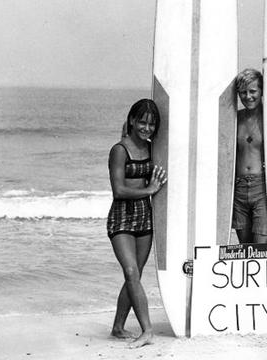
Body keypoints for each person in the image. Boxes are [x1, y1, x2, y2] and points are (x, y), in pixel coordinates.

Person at [107, 99, 167, 348]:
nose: (146, 128)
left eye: (151, 124)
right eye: (142, 121)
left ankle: (118, 327)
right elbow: (119, 190)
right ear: (132, 120)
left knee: (135, 275)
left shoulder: (154, 149)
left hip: (144, 217)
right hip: (121, 218)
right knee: (131, 272)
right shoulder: (120, 150)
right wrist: (150, 189)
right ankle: (147, 331)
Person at [232, 68, 267, 244]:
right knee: (245, 247)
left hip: (261, 186)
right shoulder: (235, 119)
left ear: (262, 90)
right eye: (243, 92)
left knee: (261, 248)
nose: (248, 96)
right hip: (238, 188)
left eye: (253, 91)